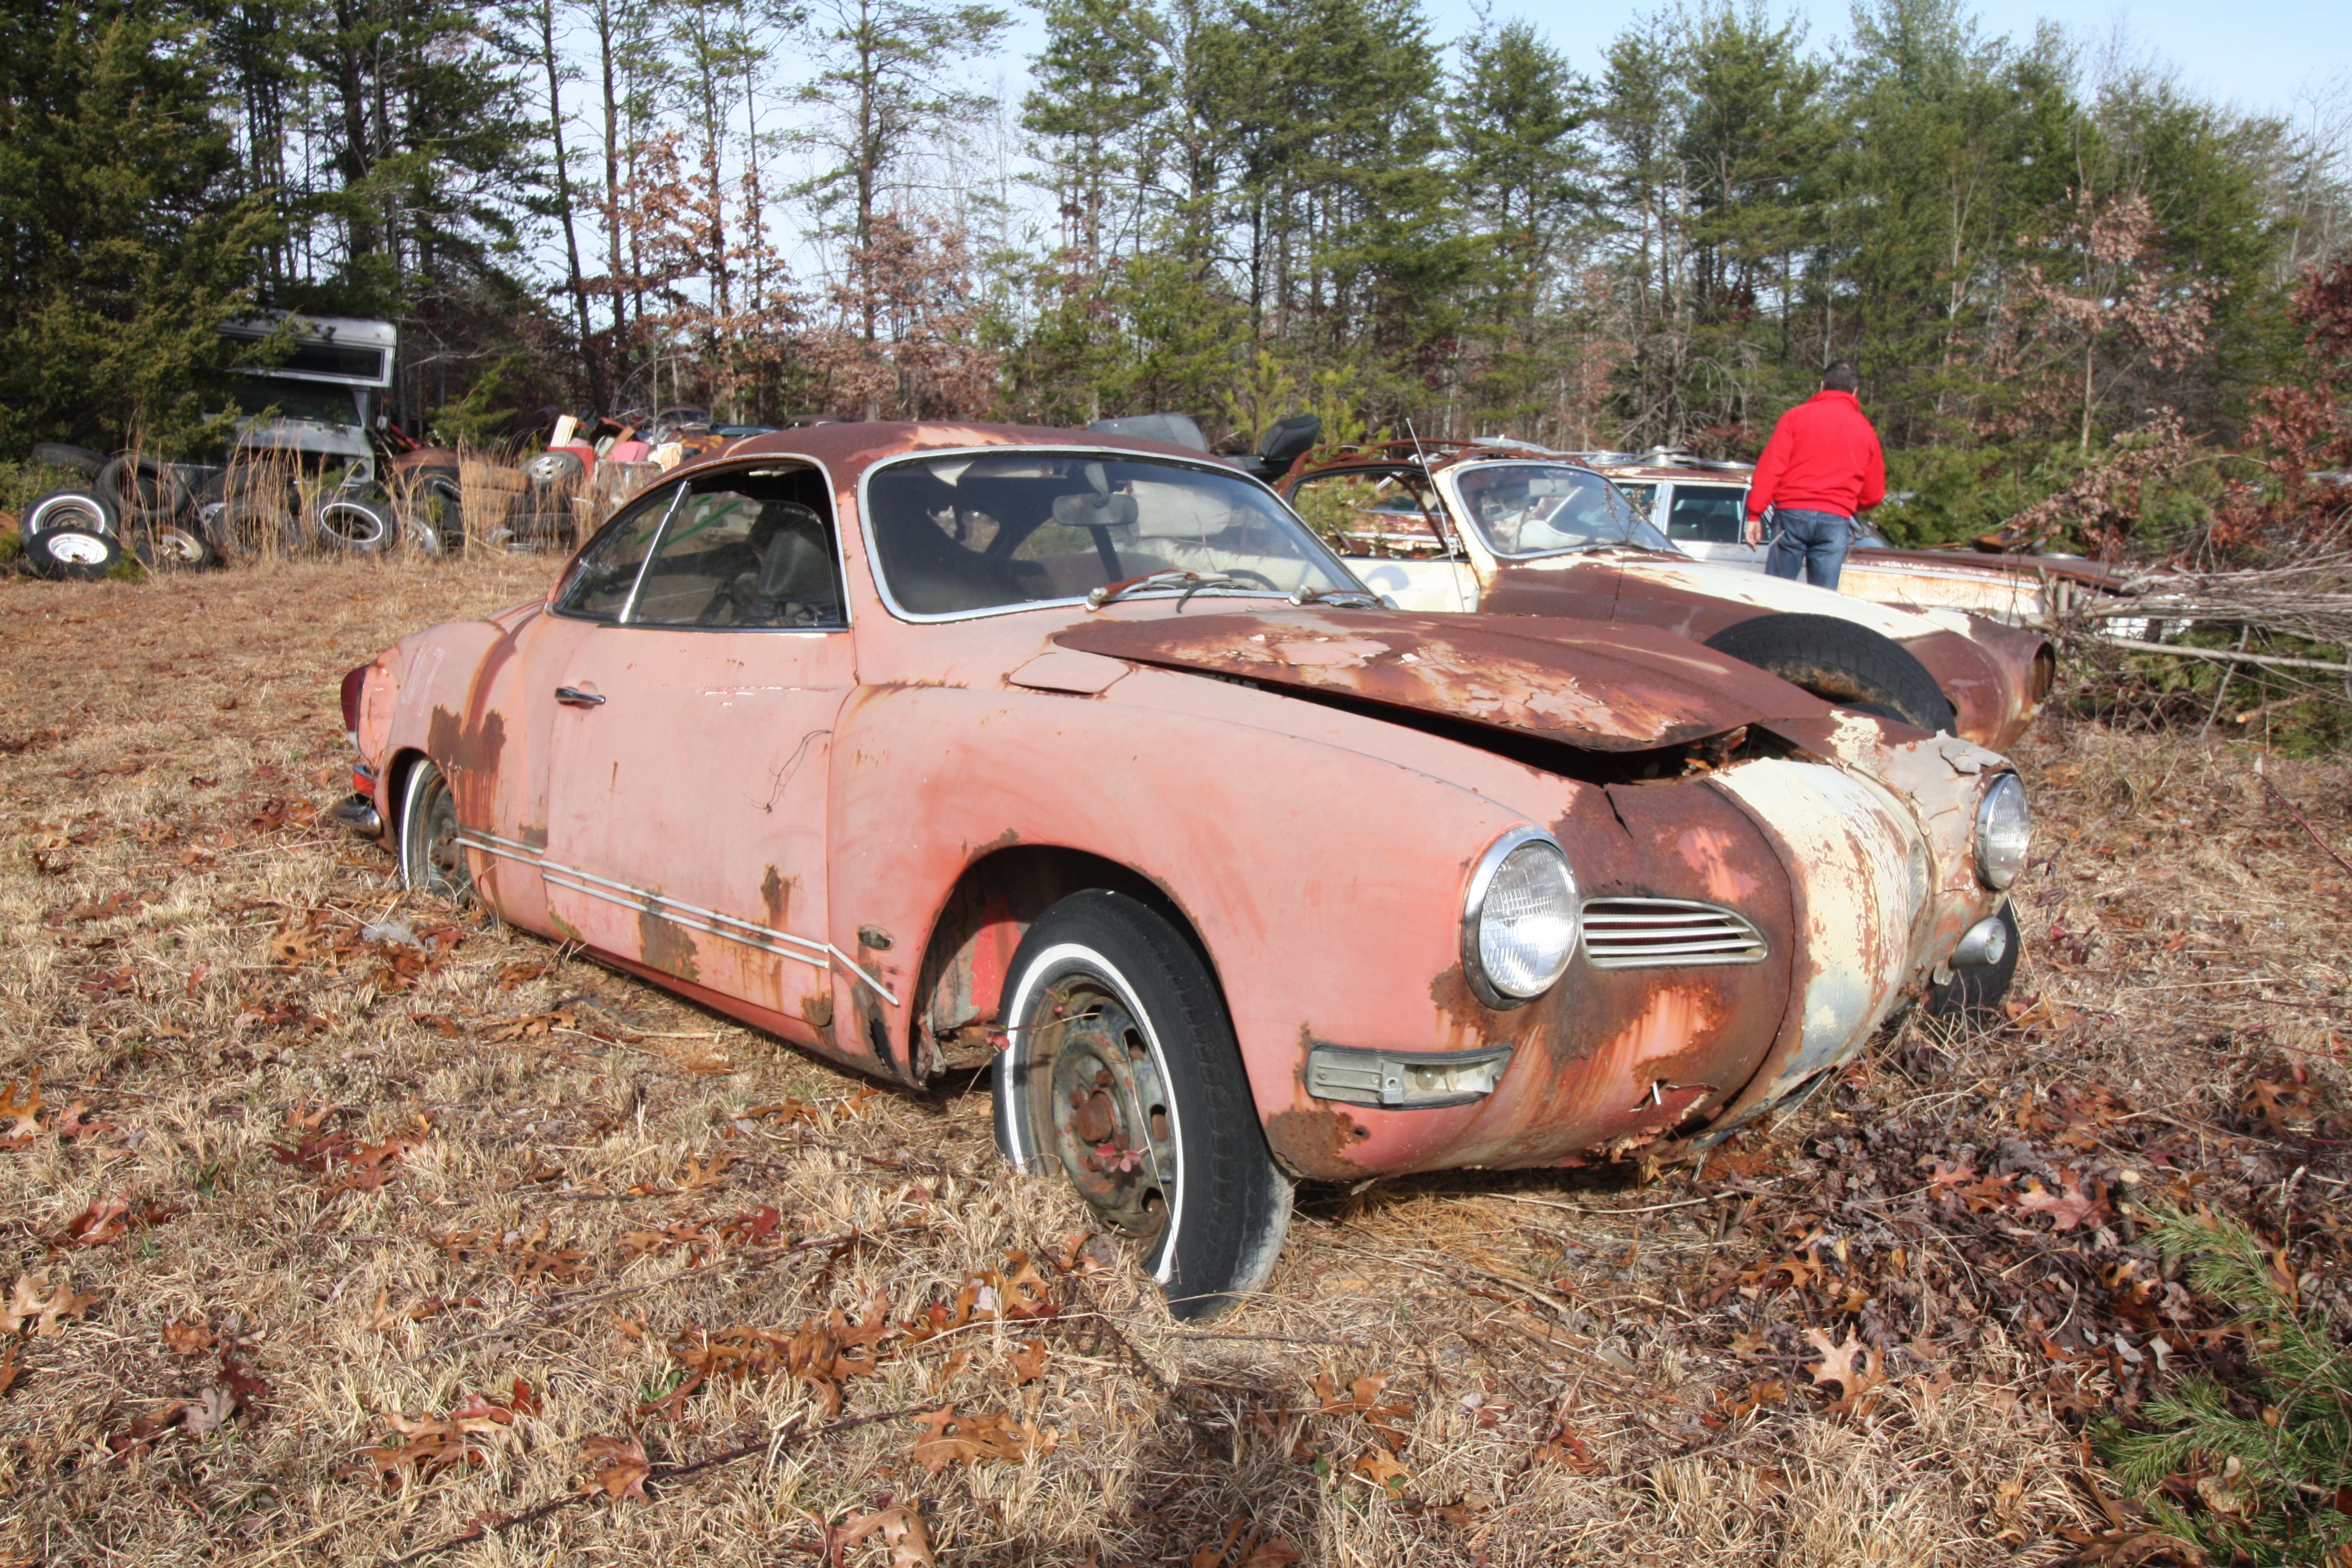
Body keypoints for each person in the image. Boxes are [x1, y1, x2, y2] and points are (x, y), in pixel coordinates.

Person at [1743, 360, 1885, 590]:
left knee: (1776, 593)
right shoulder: (1864, 428)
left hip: (1792, 513)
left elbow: (1771, 467)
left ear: (1822, 385)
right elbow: (1874, 491)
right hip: (1835, 518)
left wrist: (1755, 513)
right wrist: (1850, 503)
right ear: (1856, 391)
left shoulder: (1795, 418)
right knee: (1823, 600)